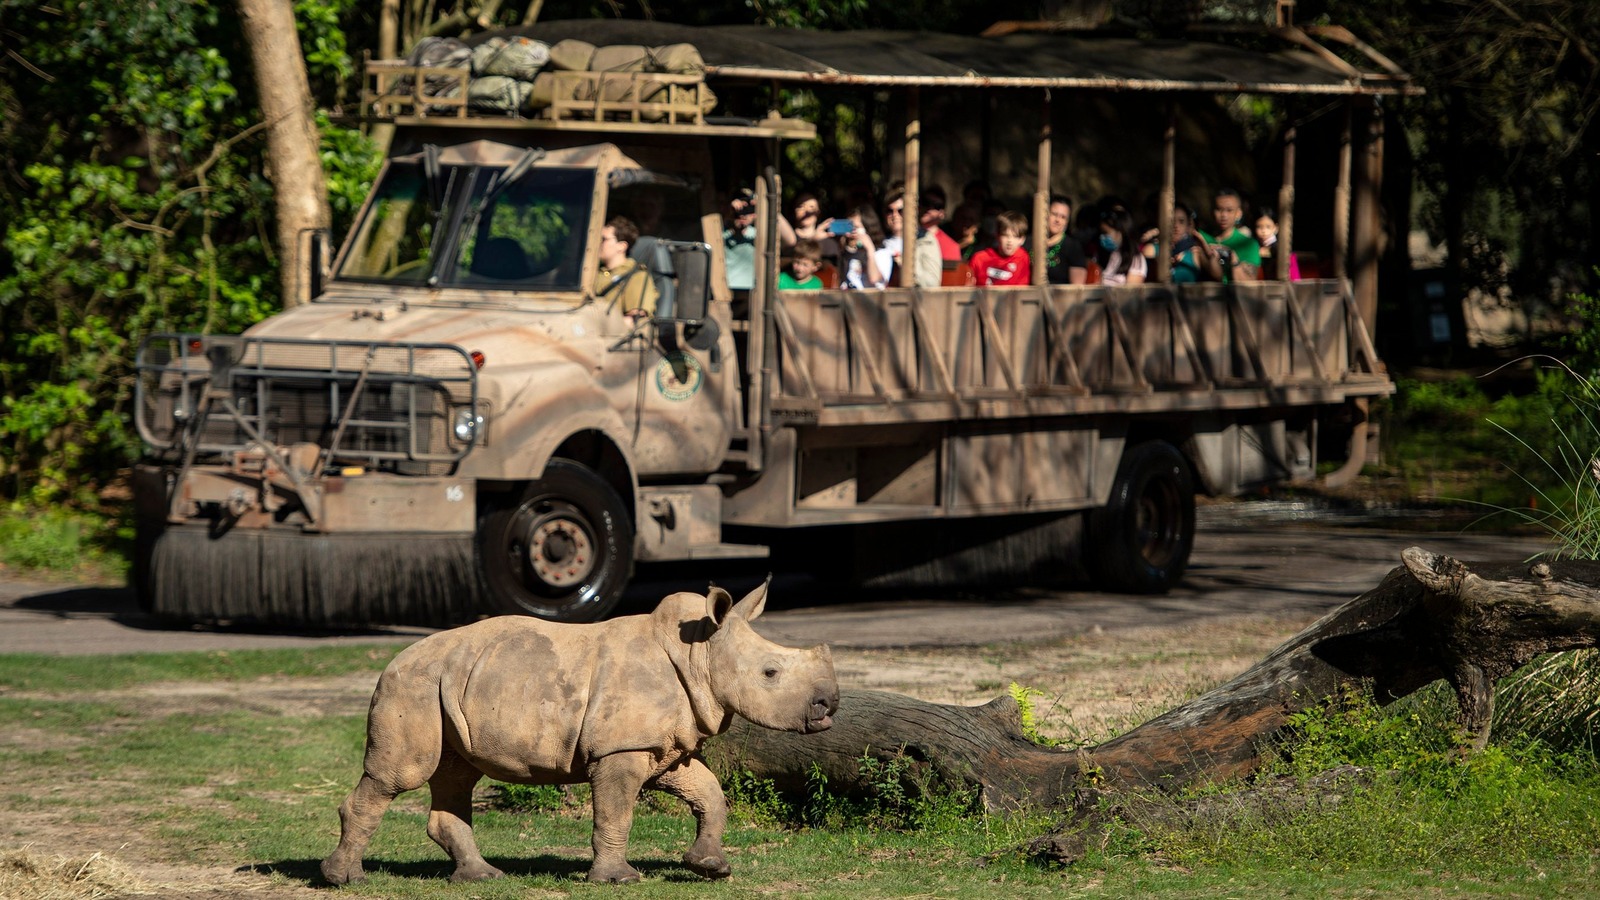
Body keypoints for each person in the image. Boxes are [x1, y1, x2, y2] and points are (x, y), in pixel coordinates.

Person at [593, 216, 659, 318]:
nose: (597, 243)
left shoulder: (636, 276)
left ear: (622, 246)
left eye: (604, 239)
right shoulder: (593, 273)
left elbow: (633, 322)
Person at [1199, 188, 1261, 283]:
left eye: (1229, 210)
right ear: (1211, 211)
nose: (1224, 215)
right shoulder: (1201, 237)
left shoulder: (1249, 245)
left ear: (1238, 214)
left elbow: (1249, 283)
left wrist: (1234, 261)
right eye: (1219, 209)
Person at [968, 210, 1031, 287]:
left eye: (1015, 236)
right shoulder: (979, 259)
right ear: (997, 235)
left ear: (1022, 240)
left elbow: (1022, 291)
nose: (1010, 241)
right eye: (1005, 235)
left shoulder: (1023, 258)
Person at [835, 205, 886, 289]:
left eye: (856, 227)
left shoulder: (882, 253)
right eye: (849, 227)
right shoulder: (847, 253)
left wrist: (870, 249)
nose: (852, 232)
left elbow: (874, 278)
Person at [1095, 207, 1147, 285]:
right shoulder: (1102, 255)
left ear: (1121, 232)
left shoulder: (1136, 260)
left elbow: (1131, 293)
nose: (1102, 237)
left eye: (1106, 233)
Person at [1044, 194, 1089, 285]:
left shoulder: (1073, 247)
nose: (1057, 220)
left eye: (1063, 217)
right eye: (1054, 214)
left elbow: (1077, 287)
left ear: (1067, 222)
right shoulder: (1030, 241)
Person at [723, 188, 758, 291]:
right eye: (740, 207)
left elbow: (790, 241)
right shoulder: (719, 233)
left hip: (752, 292)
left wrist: (763, 208)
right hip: (724, 290)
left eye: (749, 208)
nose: (743, 214)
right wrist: (728, 212)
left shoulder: (758, 235)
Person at [1254, 206, 1301, 281]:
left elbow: (1295, 277)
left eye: (1268, 227)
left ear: (1275, 228)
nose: (1263, 231)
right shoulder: (1254, 246)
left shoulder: (1283, 248)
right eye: (1259, 227)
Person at [919, 186, 962, 263]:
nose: (929, 208)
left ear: (942, 213)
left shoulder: (950, 247)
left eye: (936, 206)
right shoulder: (905, 237)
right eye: (925, 202)